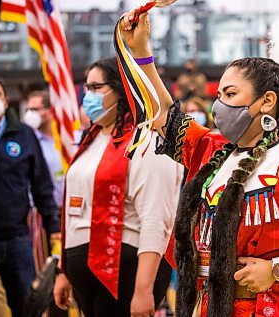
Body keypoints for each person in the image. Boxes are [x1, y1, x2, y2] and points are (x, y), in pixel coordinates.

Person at [120, 11, 279, 316]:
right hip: (212, 305)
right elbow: (164, 115)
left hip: (276, 306)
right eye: (218, 94)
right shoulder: (212, 151)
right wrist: (140, 52)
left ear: (267, 101)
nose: (219, 104)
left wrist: (278, 268)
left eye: (230, 94)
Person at [53, 58, 182, 317]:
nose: (86, 96)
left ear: (120, 90)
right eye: (85, 88)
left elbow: (157, 218)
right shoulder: (91, 140)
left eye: (95, 87)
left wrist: (143, 290)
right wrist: (65, 271)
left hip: (127, 271)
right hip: (87, 274)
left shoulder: (146, 141)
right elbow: (77, 210)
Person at [0, 74, 61, 317]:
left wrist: (54, 226)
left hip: (16, 240)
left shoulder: (24, 135)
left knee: (28, 306)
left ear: (6, 100)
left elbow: (41, 186)